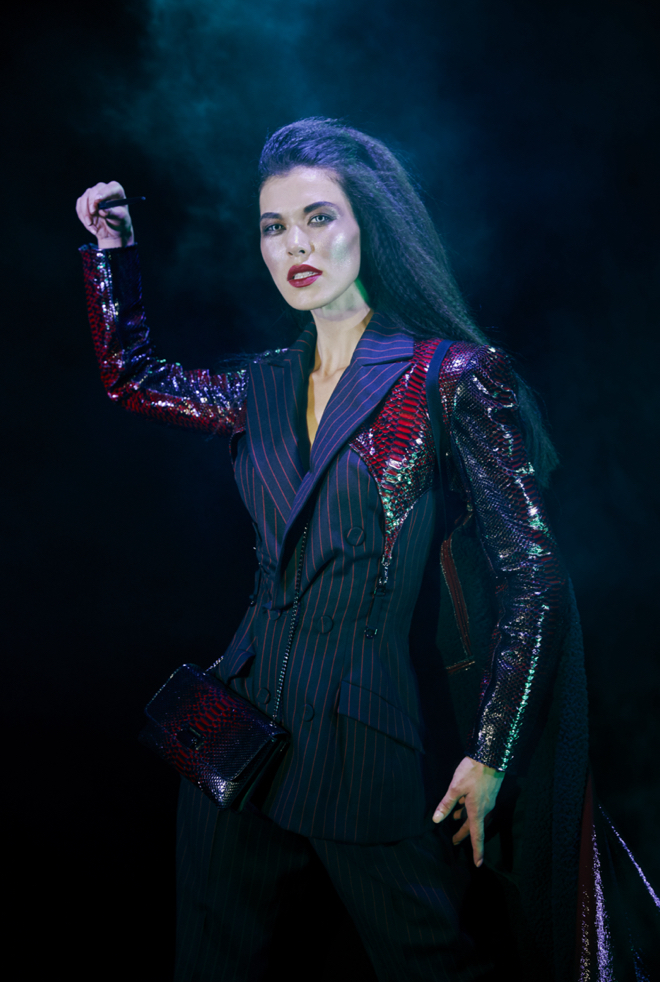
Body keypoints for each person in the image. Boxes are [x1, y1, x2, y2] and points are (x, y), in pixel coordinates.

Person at [76, 118, 590, 981]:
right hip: (235, 735)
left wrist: (491, 752)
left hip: (366, 746)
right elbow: (135, 379)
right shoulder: (264, 383)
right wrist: (113, 253)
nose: (295, 246)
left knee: (428, 966)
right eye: (274, 227)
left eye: (319, 218)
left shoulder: (447, 378)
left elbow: (532, 573)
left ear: (366, 227)